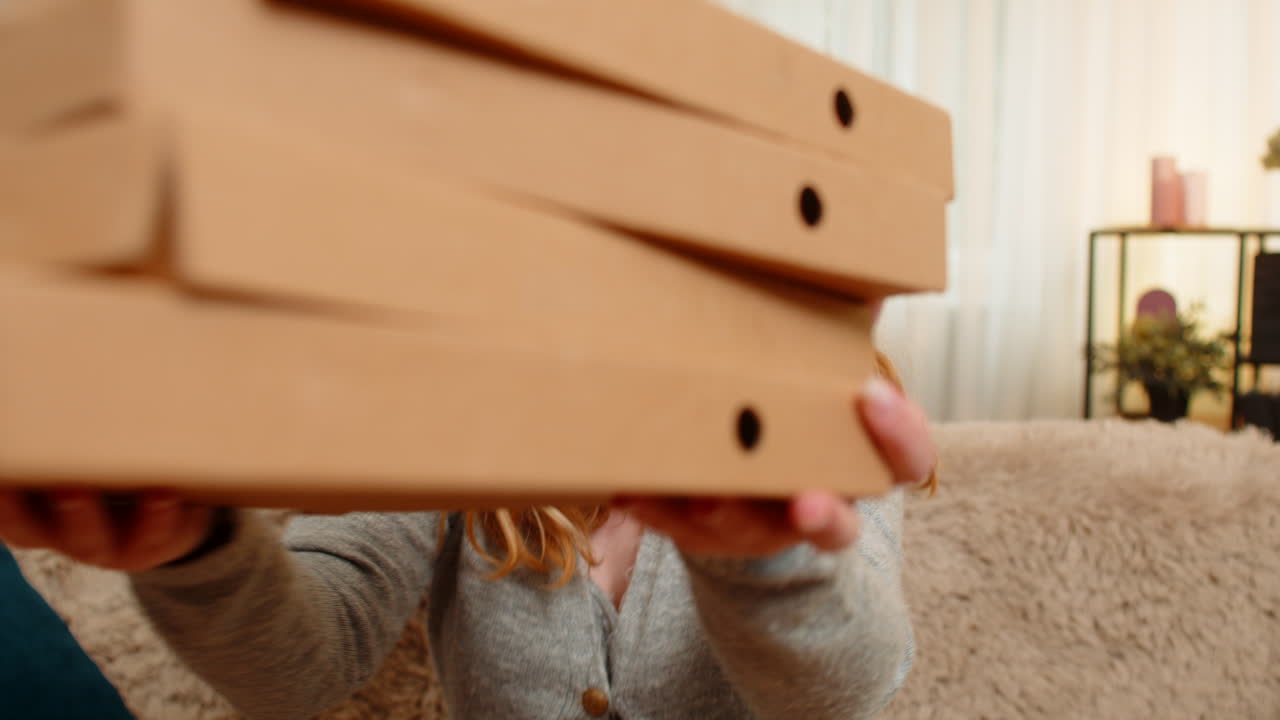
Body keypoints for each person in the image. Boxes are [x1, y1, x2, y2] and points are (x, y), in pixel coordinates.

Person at [0, 353, 937, 720]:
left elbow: (848, 681)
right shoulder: (459, 408)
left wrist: (759, 555)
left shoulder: (829, 399)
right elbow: (306, 665)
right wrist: (194, 551)